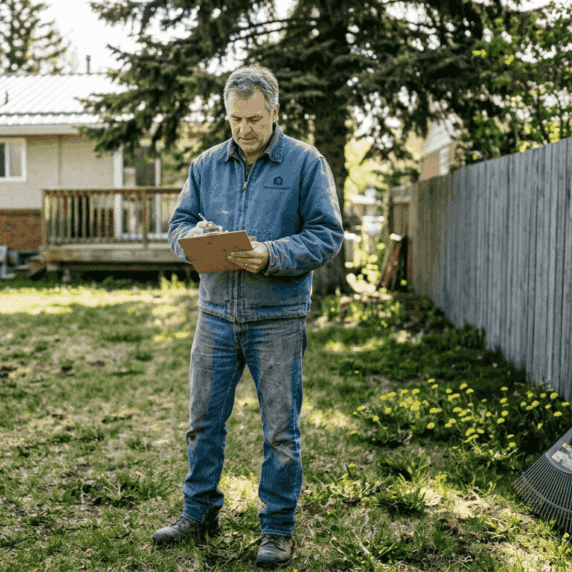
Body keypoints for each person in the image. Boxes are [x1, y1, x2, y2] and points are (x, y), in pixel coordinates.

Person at [157, 63, 344, 567]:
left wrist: (271, 255)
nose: (244, 130)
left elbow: (328, 234)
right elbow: (177, 224)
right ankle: (198, 515)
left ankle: (278, 529)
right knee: (202, 423)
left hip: (278, 318)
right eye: (235, 120)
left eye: (255, 119)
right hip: (215, 315)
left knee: (280, 430)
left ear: (275, 112)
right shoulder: (206, 165)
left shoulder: (306, 164)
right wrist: (189, 238)